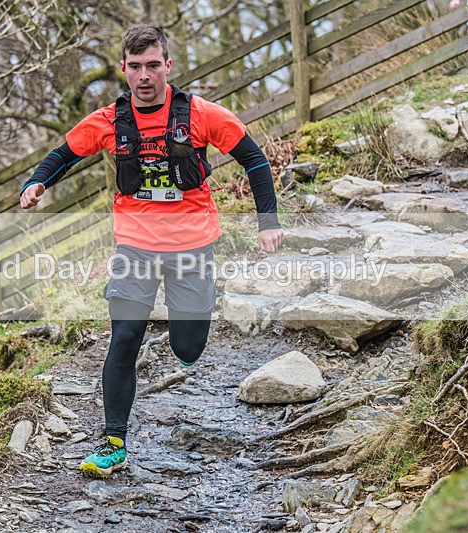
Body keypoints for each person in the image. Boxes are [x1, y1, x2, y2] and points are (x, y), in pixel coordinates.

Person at [19, 24, 283, 478]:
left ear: (168, 67)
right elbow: (63, 154)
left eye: (153, 66)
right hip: (134, 245)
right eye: (135, 67)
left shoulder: (199, 114)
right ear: (124, 69)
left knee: (188, 348)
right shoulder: (108, 121)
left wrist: (268, 220)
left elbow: (254, 160)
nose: (144, 76)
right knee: (124, 338)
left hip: (192, 245)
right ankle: (113, 442)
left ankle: (190, 326)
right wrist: (36, 181)